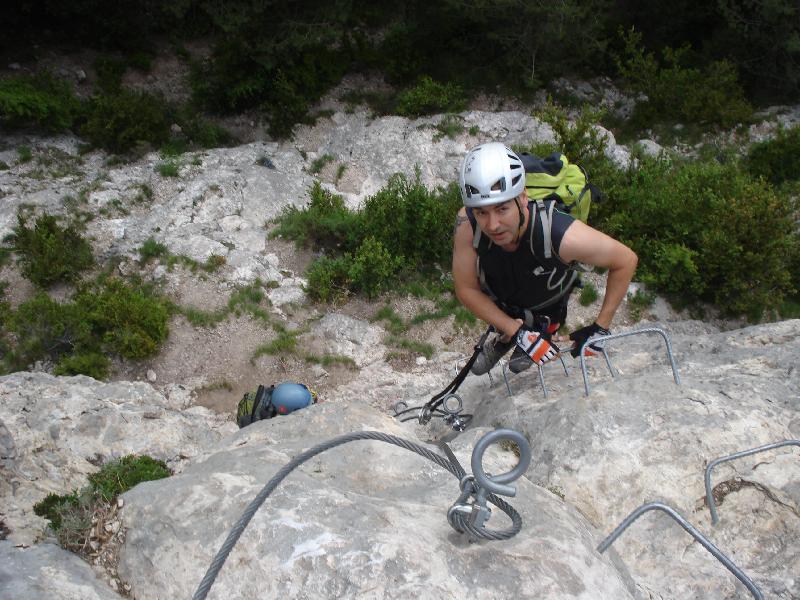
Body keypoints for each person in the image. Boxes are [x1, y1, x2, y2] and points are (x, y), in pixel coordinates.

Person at [452, 142, 638, 374]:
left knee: (520, 367)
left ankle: (541, 328)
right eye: (482, 212)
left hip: (547, 298)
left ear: (522, 198)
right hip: (504, 294)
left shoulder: (561, 234)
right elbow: (466, 289)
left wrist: (600, 328)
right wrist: (513, 328)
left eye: (502, 209)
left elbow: (625, 260)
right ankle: (511, 331)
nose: (493, 225)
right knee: (486, 364)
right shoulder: (467, 224)